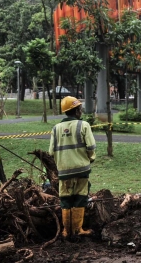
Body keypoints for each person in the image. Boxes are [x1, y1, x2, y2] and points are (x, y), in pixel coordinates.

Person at [49, 96, 96, 238]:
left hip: (64, 171)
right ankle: (77, 230)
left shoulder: (56, 128)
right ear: (76, 111)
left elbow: (51, 152)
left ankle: (66, 231)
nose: (81, 110)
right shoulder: (84, 125)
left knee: (65, 199)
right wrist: (90, 158)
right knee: (80, 197)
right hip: (82, 169)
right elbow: (91, 146)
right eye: (80, 108)